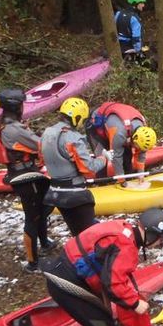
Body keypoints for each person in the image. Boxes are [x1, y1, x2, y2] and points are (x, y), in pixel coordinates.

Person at [0, 88, 55, 273]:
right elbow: (40, 144)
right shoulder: (13, 129)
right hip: (25, 176)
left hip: (26, 171)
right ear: (15, 107)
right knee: (33, 217)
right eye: (21, 104)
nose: (23, 108)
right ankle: (32, 263)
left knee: (43, 206)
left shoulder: (3, 123)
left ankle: (44, 243)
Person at [41, 97, 111, 236]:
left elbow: (45, 156)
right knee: (88, 233)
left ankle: (78, 252)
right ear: (77, 117)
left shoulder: (48, 132)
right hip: (74, 194)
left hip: (55, 192)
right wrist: (104, 158)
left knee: (76, 231)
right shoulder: (72, 137)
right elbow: (89, 169)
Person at [86, 102, 157, 181]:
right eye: (137, 146)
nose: (137, 149)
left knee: (127, 156)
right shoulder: (119, 133)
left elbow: (142, 153)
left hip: (118, 126)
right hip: (96, 125)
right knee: (102, 158)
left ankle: (129, 178)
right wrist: (121, 179)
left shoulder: (143, 129)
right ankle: (101, 183)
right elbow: (116, 157)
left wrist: (141, 174)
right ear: (135, 138)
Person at [115, 0, 149, 64]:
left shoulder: (118, 14)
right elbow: (136, 38)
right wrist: (139, 51)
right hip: (129, 48)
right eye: (141, 3)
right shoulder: (134, 19)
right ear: (135, 4)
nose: (143, 5)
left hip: (117, 46)